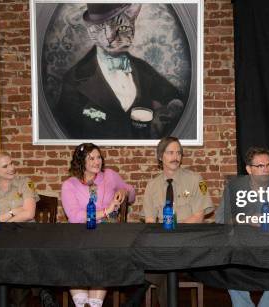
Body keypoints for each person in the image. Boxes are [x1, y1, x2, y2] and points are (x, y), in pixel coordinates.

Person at [53, 3, 185, 139]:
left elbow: (175, 98)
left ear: (132, 25)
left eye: (121, 27)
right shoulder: (74, 78)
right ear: (90, 29)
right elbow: (66, 130)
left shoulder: (142, 69)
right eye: (101, 27)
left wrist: (163, 115)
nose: (110, 37)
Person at [140, 136, 214, 307]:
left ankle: (136, 295)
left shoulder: (196, 180)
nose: (176, 157)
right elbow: (150, 222)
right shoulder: (152, 186)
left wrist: (174, 233)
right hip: (162, 246)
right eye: (170, 152)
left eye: (179, 153)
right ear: (160, 156)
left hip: (189, 244)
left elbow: (198, 217)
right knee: (165, 264)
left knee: (163, 266)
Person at [61, 143, 135, 307]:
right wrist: (106, 211)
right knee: (74, 255)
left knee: (103, 253)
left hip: (106, 234)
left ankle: (95, 303)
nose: (97, 162)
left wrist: (125, 191)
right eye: (91, 158)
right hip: (79, 234)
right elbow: (74, 217)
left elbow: (131, 193)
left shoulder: (109, 175)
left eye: (99, 157)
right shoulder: (69, 185)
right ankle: (81, 302)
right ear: (80, 162)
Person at [215, 147, 269, 307]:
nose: (266, 169)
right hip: (243, 247)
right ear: (249, 169)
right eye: (260, 166)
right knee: (227, 263)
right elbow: (220, 218)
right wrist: (247, 219)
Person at [0, 150, 41, 307]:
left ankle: (19, 300)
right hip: (0, 240)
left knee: (18, 257)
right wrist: (11, 213)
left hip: (26, 236)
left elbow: (29, 213)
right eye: (5, 166)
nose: (11, 168)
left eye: (12, 163)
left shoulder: (24, 182)